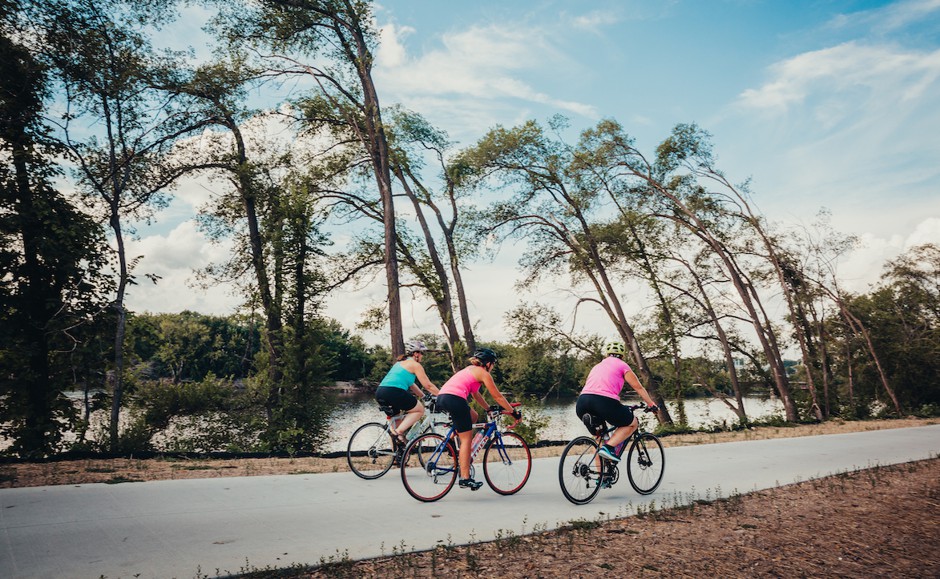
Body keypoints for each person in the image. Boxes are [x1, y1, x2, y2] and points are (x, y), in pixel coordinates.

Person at [436, 348, 520, 491]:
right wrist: (513, 412)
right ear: (488, 363)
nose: (492, 367)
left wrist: (487, 409)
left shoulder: (470, 370)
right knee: (466, 439)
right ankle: (465, 478)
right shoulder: (483, 373)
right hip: (456, 399)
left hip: (442, 397)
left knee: (473, 416)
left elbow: (476, 395)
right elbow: (498, 396)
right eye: (493, 364)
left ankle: (450, 439)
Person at [576, 339, 658, 462]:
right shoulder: (622, 365)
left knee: (598, 441)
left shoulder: (597, 366)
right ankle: (609, 447)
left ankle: (602, 479)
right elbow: (638, 387)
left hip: (582, 402)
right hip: (603, 402)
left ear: (606, 354)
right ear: (622, 355)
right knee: (632, 423)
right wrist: (651, 405)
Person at [375, 340, 440, 445]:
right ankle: (398, 433)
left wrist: (423, 396)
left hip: (380, 392)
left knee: (397, 422)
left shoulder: (400, 363)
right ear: (416, 353)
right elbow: (428, 385)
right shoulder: (415, 365)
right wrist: (443, 395)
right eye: (422, 353)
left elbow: (411, 385)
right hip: (394, 391)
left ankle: (397, 456)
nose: (423, 356)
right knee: (419, 410)